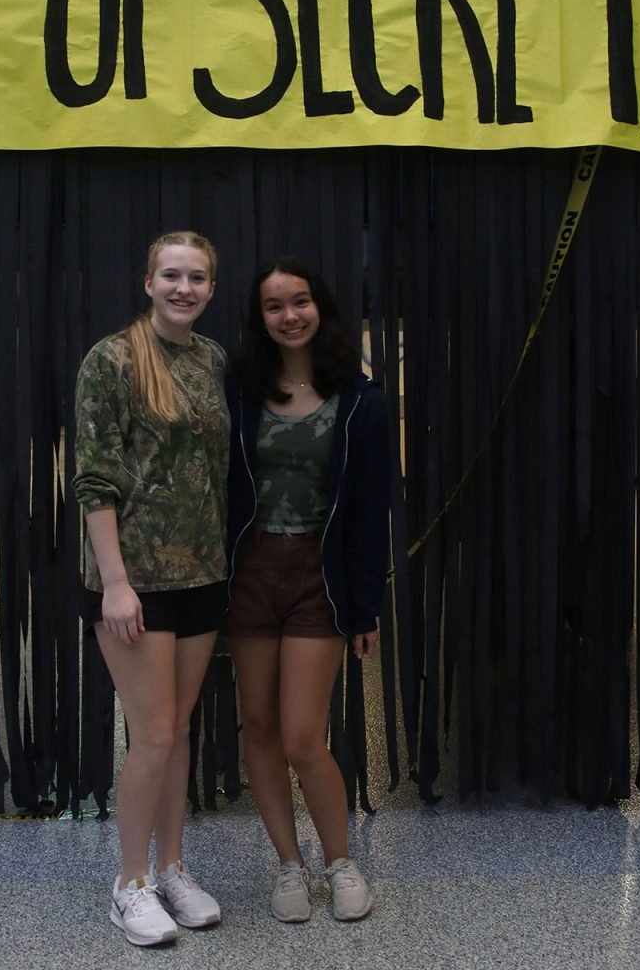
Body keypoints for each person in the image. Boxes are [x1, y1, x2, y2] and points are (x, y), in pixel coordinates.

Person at [73, 231, 229, 947]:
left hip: (202, 572)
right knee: (154, 734)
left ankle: (171, 867)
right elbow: (95, 478)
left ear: (211, 288)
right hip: (134, 582)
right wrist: (114, 584)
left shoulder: (211, 359)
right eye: (171, 275)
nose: (183, 288)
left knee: (179, 730)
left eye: (196, 277)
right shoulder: (109, 359)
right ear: (147, 282)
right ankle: (129, 884)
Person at [225, 256, 390, 924]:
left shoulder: (360, 399)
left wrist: (365, 605)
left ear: (319, 307)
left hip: (317, 574)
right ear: (259, 318)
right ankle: (288, 866)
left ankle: (340, 861)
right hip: (249, 571)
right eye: (273, 306)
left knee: (301, 736)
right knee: (258, 726)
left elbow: (370, 510)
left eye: (300, 302)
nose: (289, 315)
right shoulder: (238, 391)